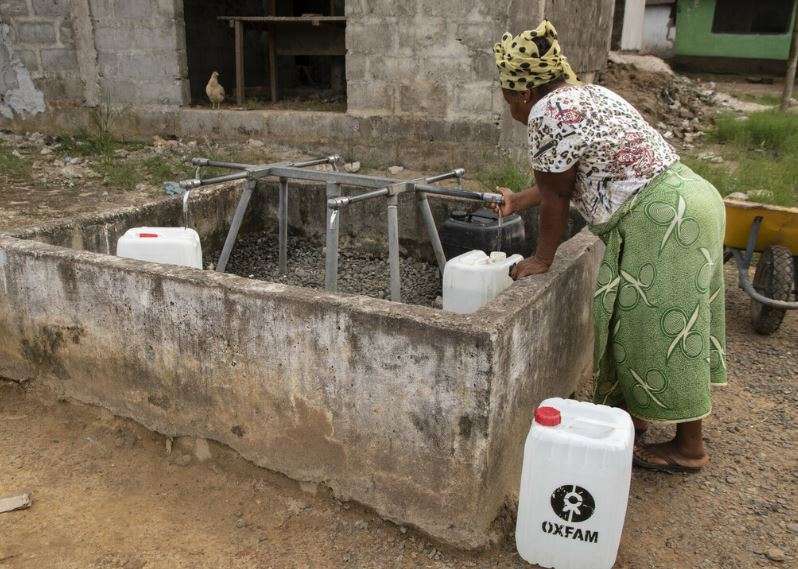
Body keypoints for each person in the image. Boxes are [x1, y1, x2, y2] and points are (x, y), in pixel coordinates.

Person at [492, 21, 726, 472]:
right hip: (692, 200)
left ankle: (688, 449)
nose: (511, 109)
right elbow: (563, 177)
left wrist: (542, 258)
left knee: (659, 329)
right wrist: (518, 201)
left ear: (522, 93)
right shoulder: (588, 95)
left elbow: (559, 195)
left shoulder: (546, 113)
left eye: (507, 99)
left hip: (664, 219)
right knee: (652, 321)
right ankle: (632, 422)